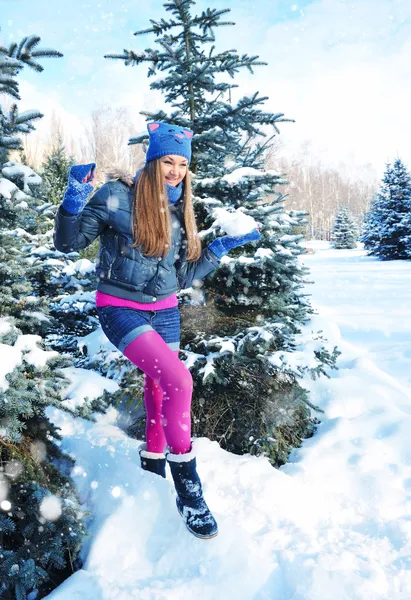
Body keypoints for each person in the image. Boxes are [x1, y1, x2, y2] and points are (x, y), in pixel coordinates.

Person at [53, 121, 261, 540]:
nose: (175, 170)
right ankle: (188, 487)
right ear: (152, 162)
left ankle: (152, 466)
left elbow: (181, 277)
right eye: (168, 160)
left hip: (165, 311)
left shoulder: (180, 211)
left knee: (160, 387)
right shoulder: (116, 196)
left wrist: (219, 248)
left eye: (183, 163)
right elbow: (68, 243)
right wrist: (75, 197)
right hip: (120, 310)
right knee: (180, 381)